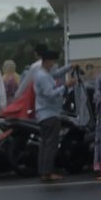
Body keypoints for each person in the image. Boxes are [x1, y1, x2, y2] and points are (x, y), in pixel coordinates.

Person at [34, 50, 75, 182]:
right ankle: (48, 173)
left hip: (44, 114)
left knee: (45, 145)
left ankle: (43, 172)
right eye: (52, 61)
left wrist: (70, 67)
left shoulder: (43, 73)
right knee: (50, 145)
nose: (54, 64)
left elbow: (57, 74)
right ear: (46, 61)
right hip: (49, 114)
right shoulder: (43, 76)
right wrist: (65, 86)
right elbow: (50, 93)